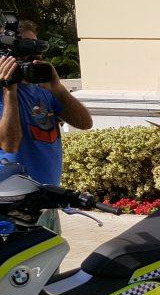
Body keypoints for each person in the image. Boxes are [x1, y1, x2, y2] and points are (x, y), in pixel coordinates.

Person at [0, 21, 94, 233]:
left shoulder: (42, 89)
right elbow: (10, 144)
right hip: (11, 214)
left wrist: (57, 88)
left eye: (36, 47)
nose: (35, 56)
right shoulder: (3, 95)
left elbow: (84, 123)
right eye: (25, 49)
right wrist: (10, 92)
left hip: (45, 205)